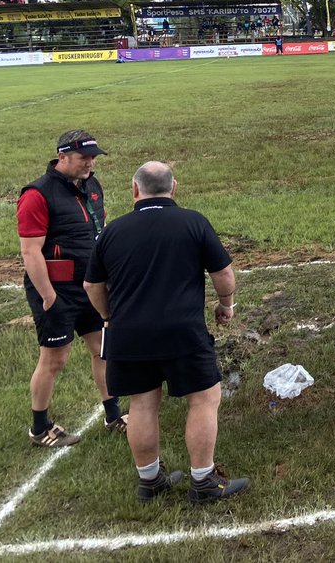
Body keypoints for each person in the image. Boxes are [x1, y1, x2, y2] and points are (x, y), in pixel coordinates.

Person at [84, 161, 248, 504]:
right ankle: (202, 481)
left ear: (134, 191)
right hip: (182, 332)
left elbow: (91, 284)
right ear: (174, 189)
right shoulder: (193, 222)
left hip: (128, 335)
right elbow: (224, 275)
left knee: (141, 404)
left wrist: (108, 315)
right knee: (204, 398)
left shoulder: (112, 231)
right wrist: (226, 304)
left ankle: (151, 481)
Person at [17, 130, 124, 447]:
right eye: (84, 158)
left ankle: (113, 414)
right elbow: (30, 252)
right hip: (56, 290)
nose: (90, 163)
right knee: (55, 359)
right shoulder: (37, 195)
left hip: (90, 286)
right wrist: (48, 295)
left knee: (103, 350)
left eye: (93, 157)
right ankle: (40, 428)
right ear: (62, 157)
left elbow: (99, 231)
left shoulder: (91, 185)